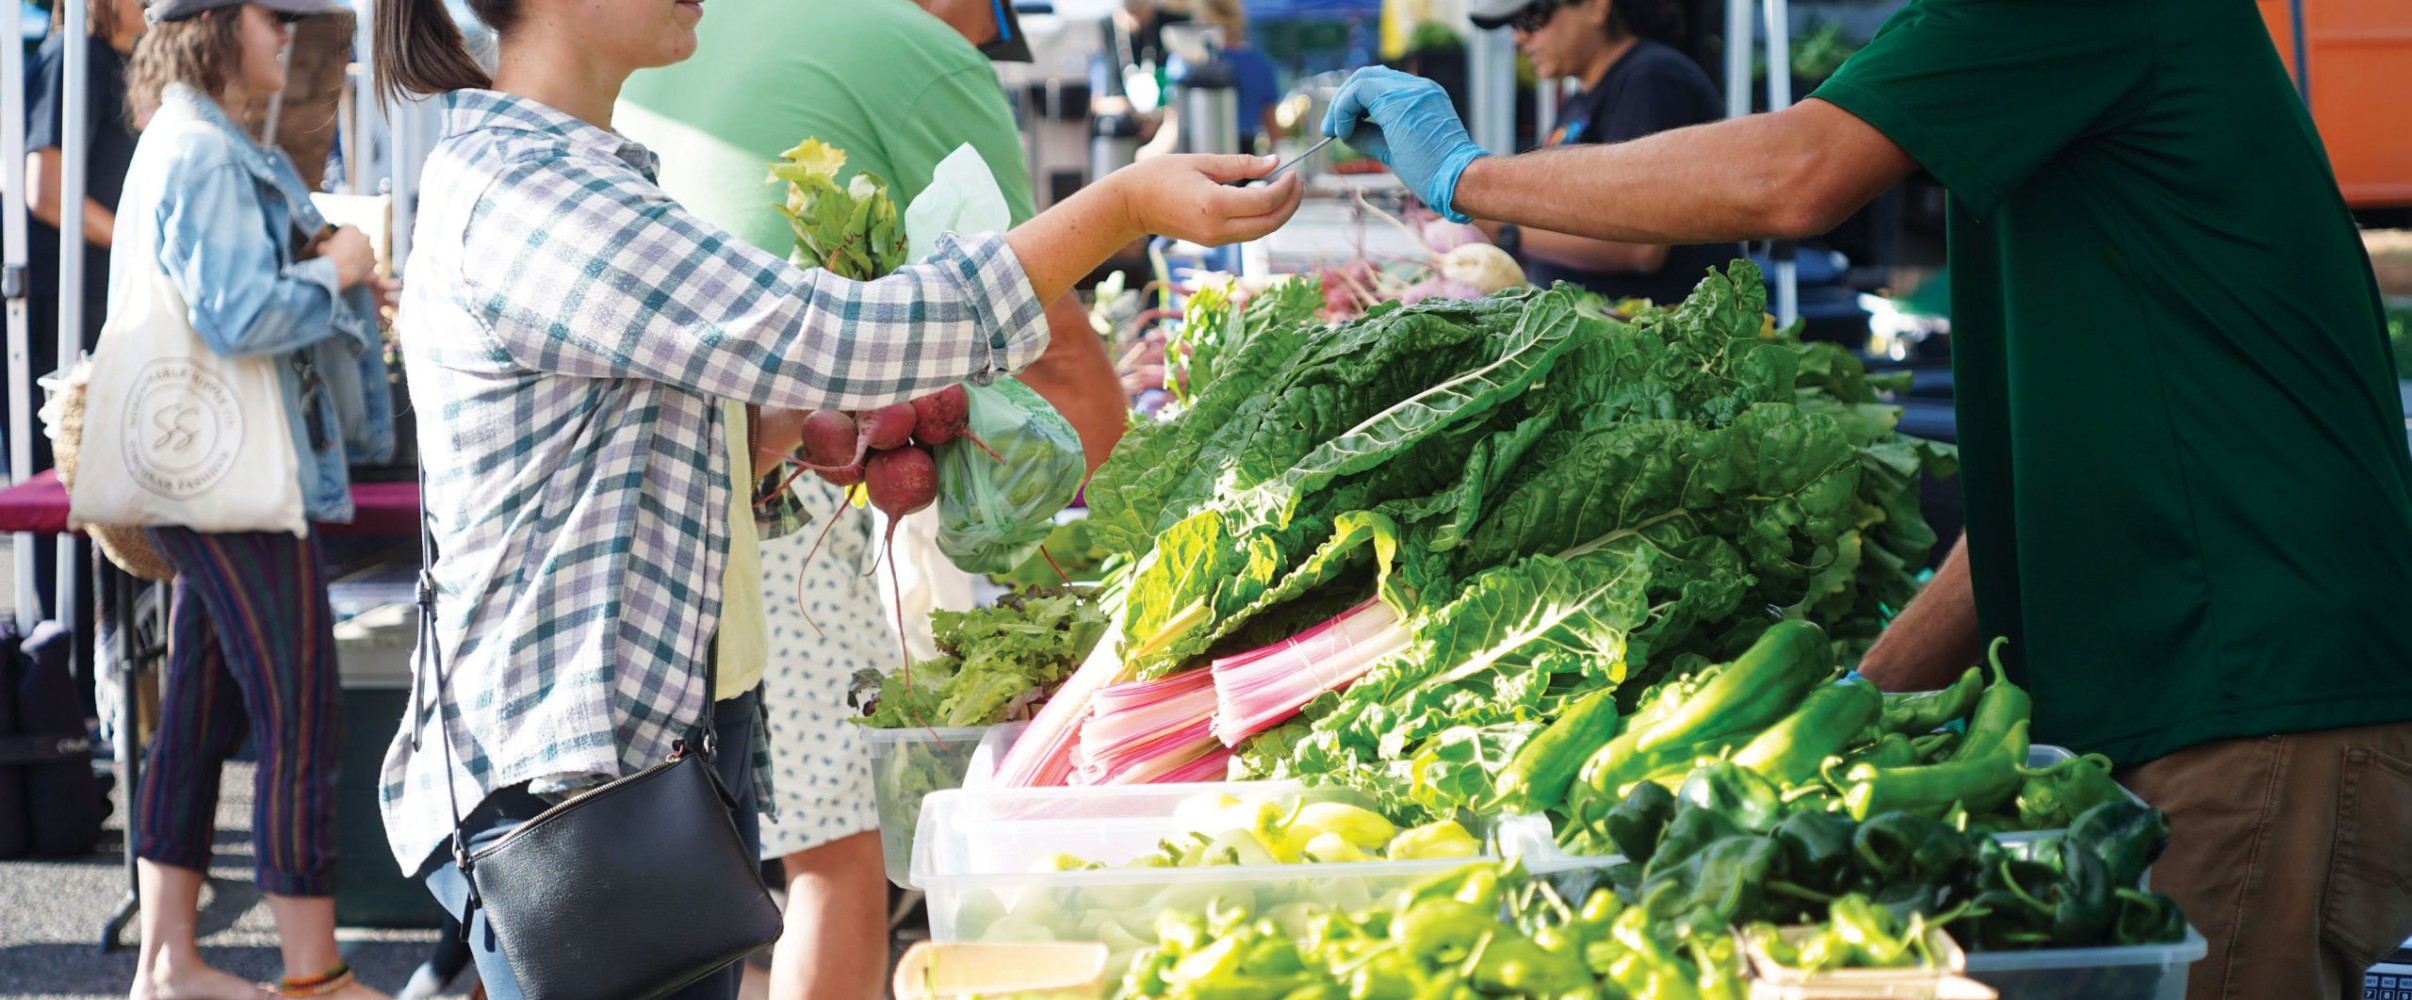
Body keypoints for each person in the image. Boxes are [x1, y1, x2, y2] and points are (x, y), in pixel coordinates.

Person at [1323, 0, 2412, 996]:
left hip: (2260, 686)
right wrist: (1856, 693)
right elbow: (2058, 485)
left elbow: (1794, 173)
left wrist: (1469, 179)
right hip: (2219, 677)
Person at [369, 0, 1299, 997]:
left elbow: (632, 433)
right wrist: (1119, 209)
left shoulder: (585, 172)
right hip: (574, 779)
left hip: (647, 743)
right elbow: (837, 333)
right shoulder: (533, 196)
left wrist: (775, 434)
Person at [615, 0, 1131, 995]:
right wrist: (1126, 527)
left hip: (667, 478)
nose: (983, 52)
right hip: (773, 491)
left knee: (635, 851)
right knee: (839, 848)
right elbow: (1049, 331)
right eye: (989, 32)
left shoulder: (699, 25)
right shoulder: (928, 52)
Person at [111, 0, 395, 997]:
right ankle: (312, 976)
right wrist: (338, 268)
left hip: (206, 473)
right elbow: (240, 312)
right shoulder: (207, 153)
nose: (289, 33)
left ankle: (168, 961)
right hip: (237, 482)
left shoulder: (187, 140)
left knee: (195, 715)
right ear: (216, 27)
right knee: (301, 716)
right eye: (271, 16)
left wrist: (322, 267)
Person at [1463, 0, 1730, 305]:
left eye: (1532, 19)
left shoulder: (1653, 80)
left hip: (1657, 338)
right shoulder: (1581, 99)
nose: (1518, 38)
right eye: (1515, 26)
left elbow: (1639, 246)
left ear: (1595, 6)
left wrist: (1502, 229)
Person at [1141, 0, 1281, 156]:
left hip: (1197, 157)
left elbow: (1172, 128)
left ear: (1202, 16)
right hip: (1245, 161)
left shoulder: (1184, 63)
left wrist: (1143, 156)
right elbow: (1274, 134)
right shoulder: (1260, 64)